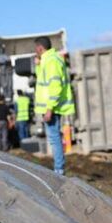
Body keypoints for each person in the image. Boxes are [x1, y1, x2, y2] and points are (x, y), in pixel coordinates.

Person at [33, 36, 74, 175]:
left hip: (52, 107)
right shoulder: (48, 61)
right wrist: (38, 66)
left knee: (54, 138)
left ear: (40, 48)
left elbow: (55, 86)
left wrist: (49, 108)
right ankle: (58, 168)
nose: (35, 52)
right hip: (50, 107)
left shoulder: (51, 61)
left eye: (36, 49)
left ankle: (59, 169)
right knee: (54, 137)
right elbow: (43, 80)